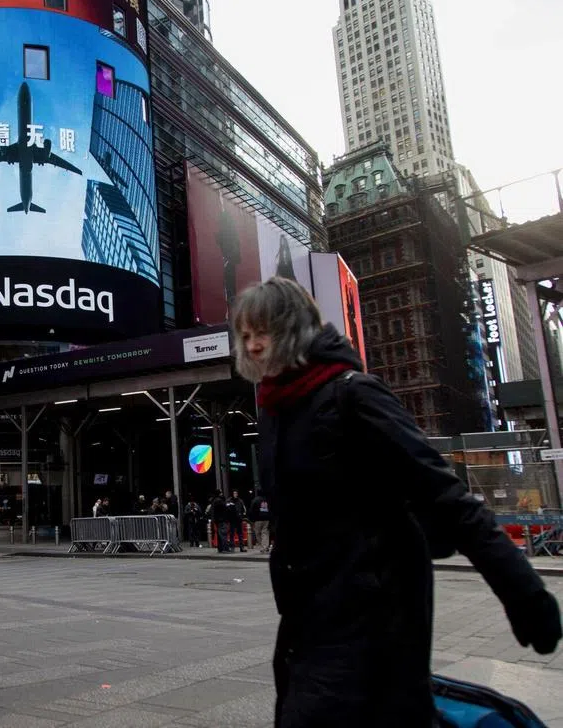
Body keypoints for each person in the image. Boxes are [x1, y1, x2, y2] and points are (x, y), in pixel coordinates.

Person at [231, 277, 562, 727]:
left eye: (261, 332)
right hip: (309, 616)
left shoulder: (352, 394)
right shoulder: (276, 408)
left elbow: (446, 495)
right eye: (245, 335)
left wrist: (524, 594)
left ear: (293, 328)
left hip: (373, 615)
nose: (251, 345)